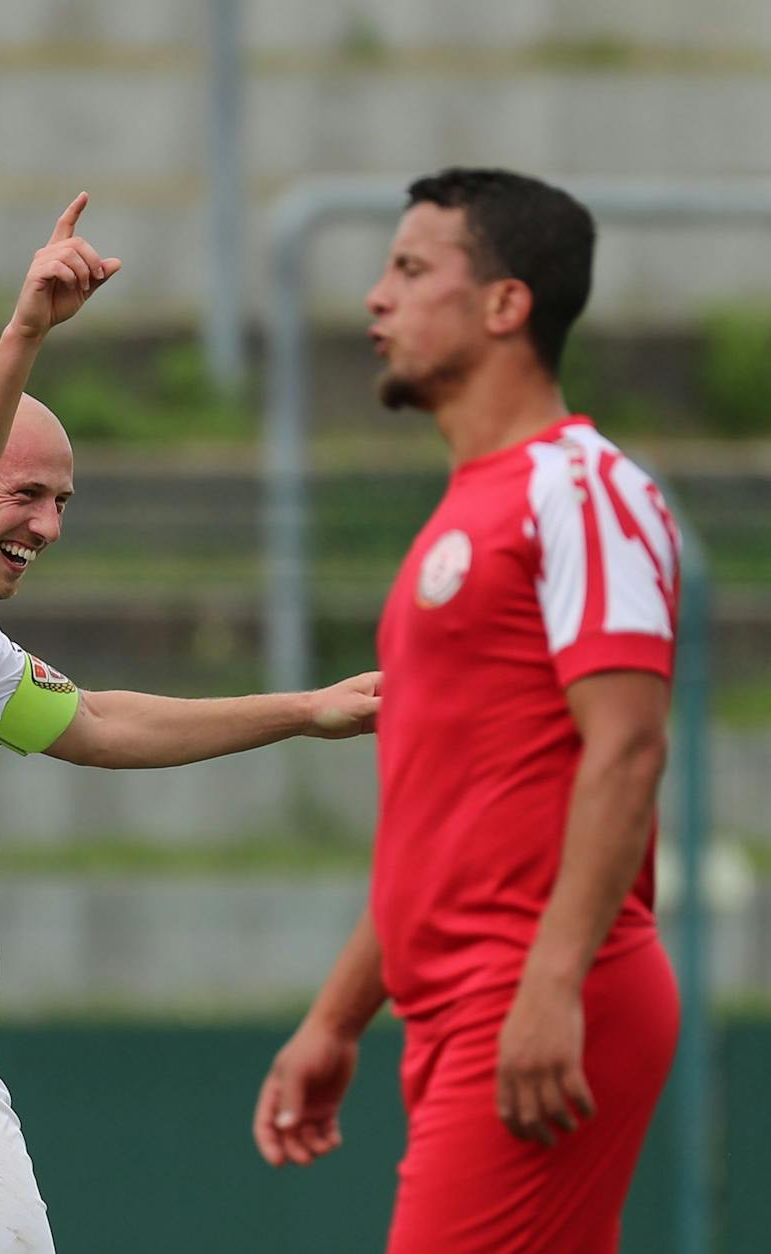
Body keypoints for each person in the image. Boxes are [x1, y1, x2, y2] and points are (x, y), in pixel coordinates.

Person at [0, 194, 382, 1253]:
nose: (46, 525)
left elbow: (93, 721)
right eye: (27, 494)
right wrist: (27, 330)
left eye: (63, 504)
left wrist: (303, 710)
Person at [251, 169, 680, 1254]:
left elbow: (626, 750)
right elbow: (438, 825)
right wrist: (338, 1017)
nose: (373, 300)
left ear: (504, 304)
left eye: (407, 269)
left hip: (531, 992)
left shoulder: (579, 490)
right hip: (461, 1005)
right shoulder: (464, 514)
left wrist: (549, 987)